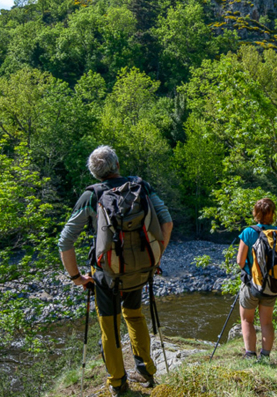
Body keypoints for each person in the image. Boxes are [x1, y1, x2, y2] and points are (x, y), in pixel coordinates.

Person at [58, 145, 173, 396]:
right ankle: (146, 369)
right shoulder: (141, 187)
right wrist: (155, 258)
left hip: (106, 274)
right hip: (141, 268)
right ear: (117, 164)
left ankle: (118, 382)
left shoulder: (91, 196)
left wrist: (77, 277)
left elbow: (65, 241)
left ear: (95, 173)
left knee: (108, 325)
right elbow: (167, 221)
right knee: (134, 314)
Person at [236, 198, 277, 362]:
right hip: (272, 285)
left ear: (256, 213)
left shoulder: (248, 232)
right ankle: (265, 356)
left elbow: (240, 261)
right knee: (267, 322)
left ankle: (250, 355)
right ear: (272, 214)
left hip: (251, 284)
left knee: (247, 319)